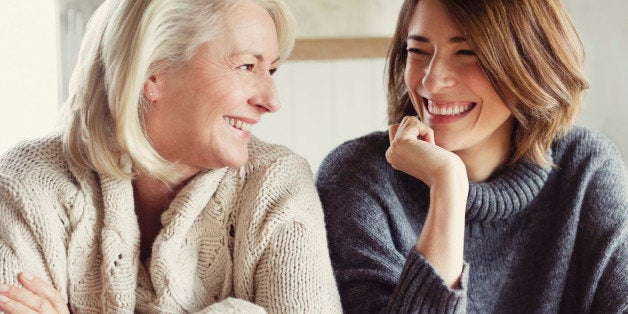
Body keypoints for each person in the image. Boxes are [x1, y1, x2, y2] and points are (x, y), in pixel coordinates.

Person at [0, 0, 341, 312]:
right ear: (153, 72)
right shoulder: (28, 183)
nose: (272, 100)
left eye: (272, 71)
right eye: (247, 66)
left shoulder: (277, 181)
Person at [316, 0, 628, 312]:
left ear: (531, 61)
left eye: (467, 53)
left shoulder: (586, 166)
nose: (431, 82)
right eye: (417, 51)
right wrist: (447, 188)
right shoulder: (357, 176)